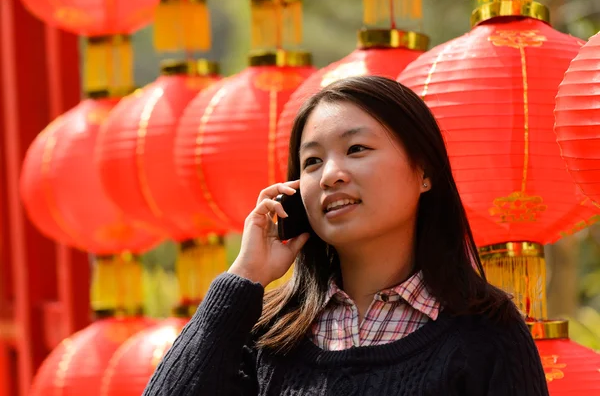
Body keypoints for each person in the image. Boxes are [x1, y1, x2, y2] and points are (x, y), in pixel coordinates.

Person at [142, 76, 549, 396]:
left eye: (356, 149)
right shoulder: (270, 334)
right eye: (313, 161)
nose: (331, 174)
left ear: (424, 172)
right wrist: (245, 277)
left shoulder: (485, 331)